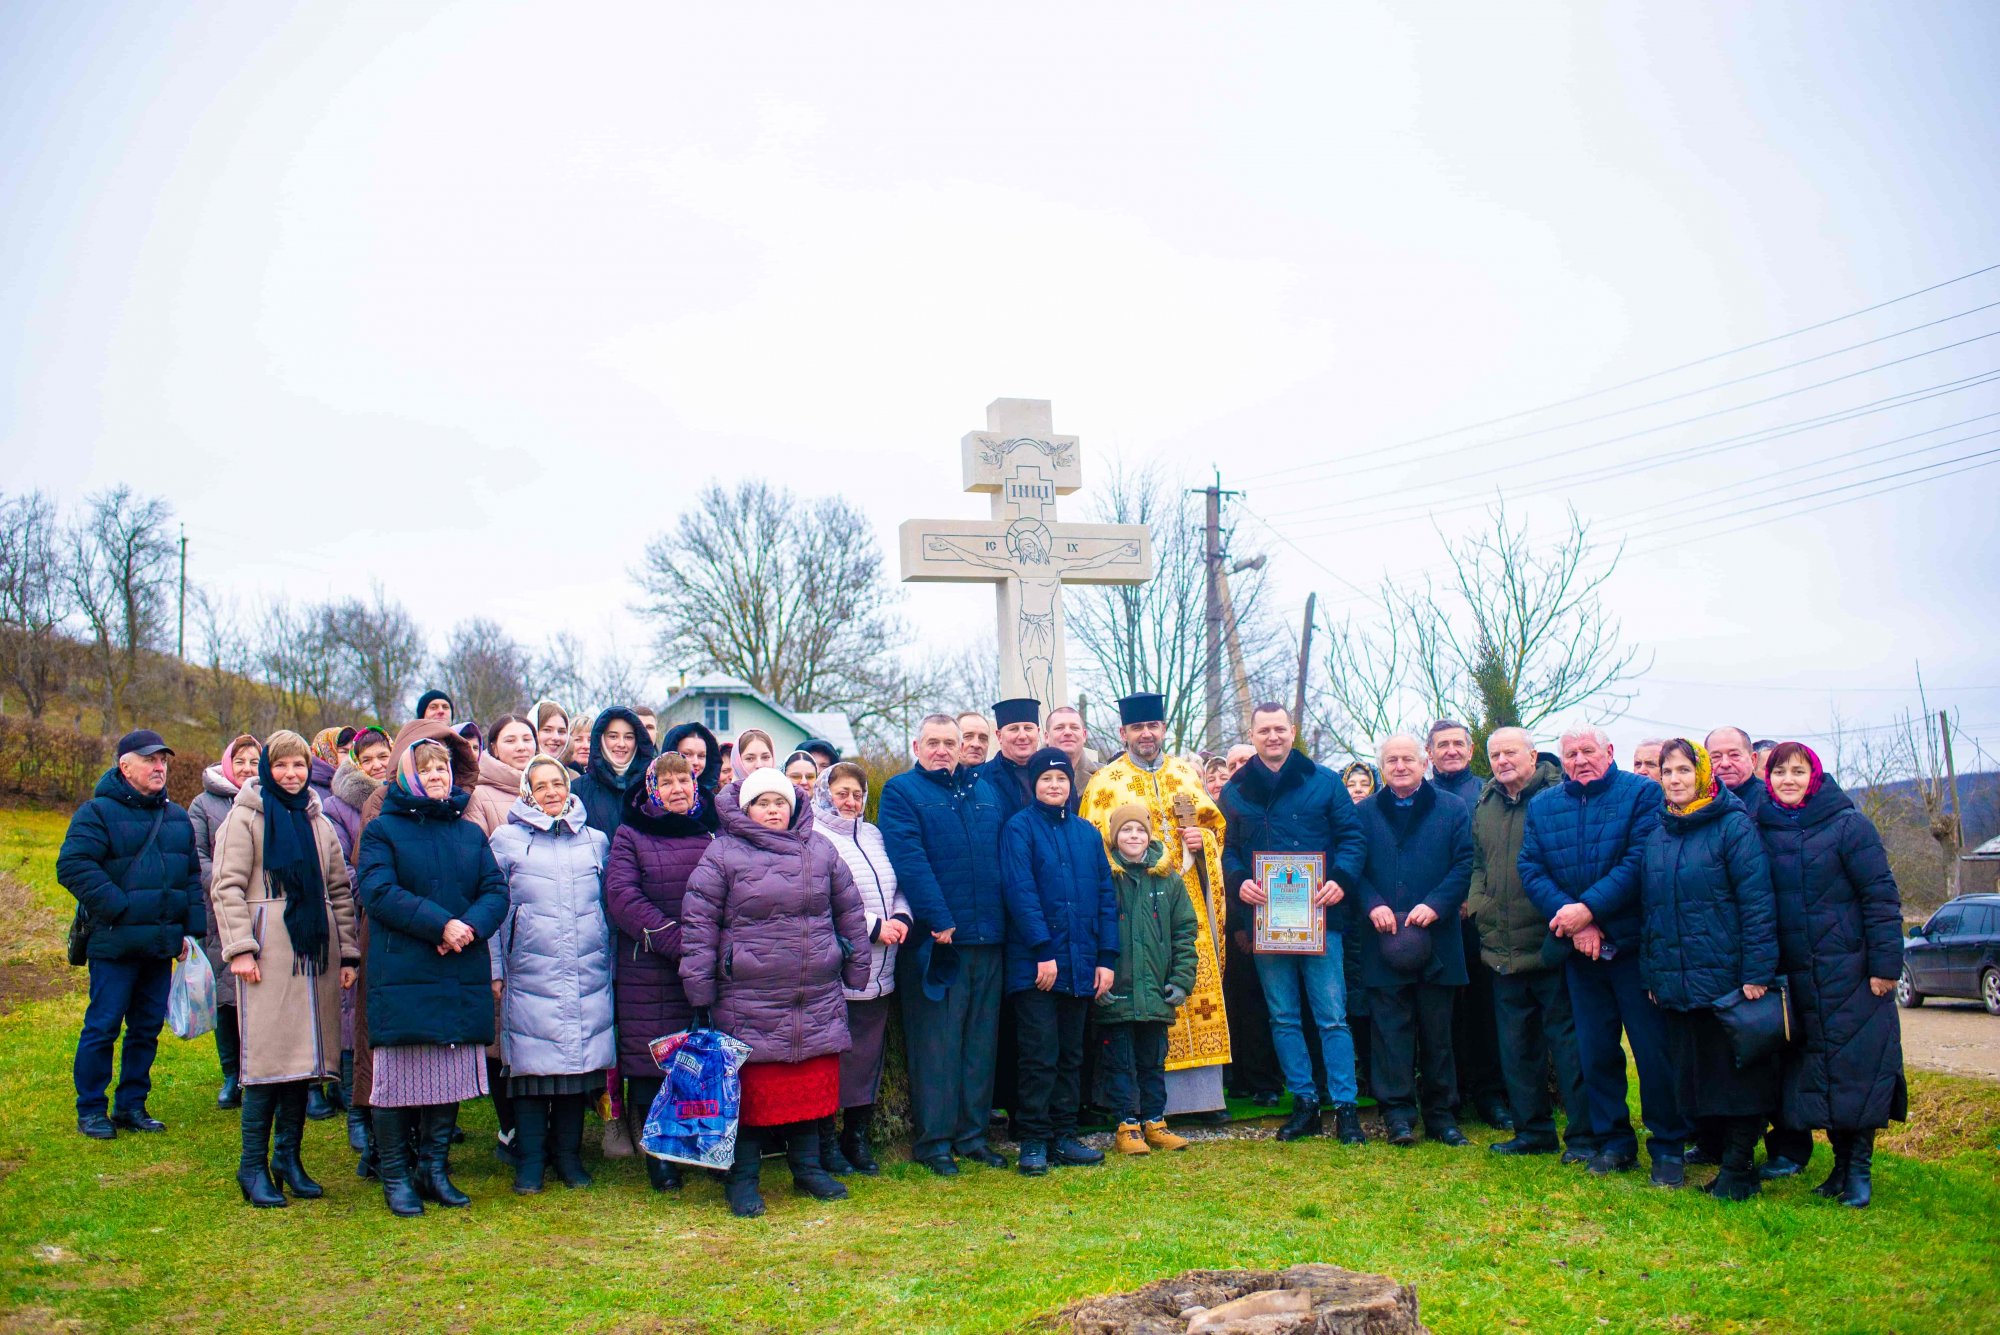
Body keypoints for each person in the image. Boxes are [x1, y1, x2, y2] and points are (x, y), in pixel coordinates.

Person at [681, 768, 869, 1217]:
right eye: (763, 803)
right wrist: (699, 987)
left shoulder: (820, 849)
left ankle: (807, 1169)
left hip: (813, 994)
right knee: (751, 1093)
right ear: (746, 808)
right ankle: (742, 1180)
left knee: (807, 1088)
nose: (772, 810)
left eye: (779, 802)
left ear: (793, 807)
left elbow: (850, 909)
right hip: (749, 997)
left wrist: (856, 965)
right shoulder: (722, 854)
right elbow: (698, 925)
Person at [1519, 726, 1688, 1184]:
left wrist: (1589, 910)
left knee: (1654, 1055)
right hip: (1580, 953)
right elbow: (1530, 868)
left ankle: (1669, 1148)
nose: (1579, 760)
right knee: (1595, 1054)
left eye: (1588, 751)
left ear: (1610, 752)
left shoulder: (1640, 795)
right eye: (1570, 753)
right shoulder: (1544, 805)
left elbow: (1639, 861)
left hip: (1635, 949)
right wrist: (1576, 922)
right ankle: (1614, 1143)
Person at [355, 738, 510, 1216]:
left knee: (450, 1075)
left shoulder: (468, 832)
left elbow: (495, 889)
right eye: (428, 769)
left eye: (443, 768)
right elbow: (377, 891)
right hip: (405, 966)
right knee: (396, 1080)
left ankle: (434, 1169)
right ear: (407, 777)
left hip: (458, 964)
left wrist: (469, 928)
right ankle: (397, 1176)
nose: (439, 776)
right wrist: (439, 925)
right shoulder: (384, 830)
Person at [208, 731, 361, 1206]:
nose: (292, 775)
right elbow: (226, 887)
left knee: (302, 1061)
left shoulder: (318, 822)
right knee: (266, 1060)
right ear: (266, 769)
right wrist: (241, 948)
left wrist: (348, 953)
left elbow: (338, 891)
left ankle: (287, 1158)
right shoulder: (245, 817)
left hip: (315, 954)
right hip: (268, 952)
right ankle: (251, 1165)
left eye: (298, 766)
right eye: (281, 766)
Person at [1757, 741, 1906, 1208]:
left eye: (1797, 771)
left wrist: (1885, 967)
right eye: (1779, 772)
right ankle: (1838, 1167)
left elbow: (1880, 897)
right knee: (1820, 1074)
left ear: (1814, 776)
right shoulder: (1762, 827)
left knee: (1859, 1070)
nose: (1788, 780)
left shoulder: (1849, 825)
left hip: (1853, 975)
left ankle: (1859, 1169)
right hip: (1798, 978)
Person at [1220, 703, 1369, 1144]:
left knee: (1332, 1016)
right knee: (1282, 1016)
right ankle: (1304, 1103)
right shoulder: (1236, 790)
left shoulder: (1323, 782)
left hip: (1322, 916)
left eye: (1279, 729)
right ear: (1252, 733)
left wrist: (1341, 880)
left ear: (1293, 731)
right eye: (1263, 730)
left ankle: (1345, 1108)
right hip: (1267, 919)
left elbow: (1352, 838)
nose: (1272, 737)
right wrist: (1239, 880)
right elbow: (1226, 848)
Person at [1078, 692, 1231, 1119]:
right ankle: (1134, 1105)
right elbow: (1093, 849)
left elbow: (1214, 827)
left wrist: (1206, 844)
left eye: (1153, 726)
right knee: (1136, 993)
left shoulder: (1186, 775)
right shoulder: (1104, 782)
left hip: (1186, 903)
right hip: (1132, 909)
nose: (1146, 734)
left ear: (1163, 729)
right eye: (1137, 728)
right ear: (1124, 732)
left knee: (1192, 983)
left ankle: (1202, 1100)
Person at [1642, 738, 1779, 1199]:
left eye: (1684, 770)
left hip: (1727, 980)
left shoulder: (1732, 825)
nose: (1675, 779)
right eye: (1668, 772)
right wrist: (1655, 975)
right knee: (1697, 1076)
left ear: (1702, 774)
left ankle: (1740, 1170)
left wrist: (1757, 972)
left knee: (1736, 1078)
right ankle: (1718, 1152)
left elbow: (1757, 903)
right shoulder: (1661, 831)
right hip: (1678, 981)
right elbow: (1652, 911)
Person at [876, 714, 1010, 1175]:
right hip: (938, 941)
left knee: (980, 1043)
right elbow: (908, 859)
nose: (942, 750)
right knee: (937, 1044)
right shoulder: (901, 792)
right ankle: (934, 1142)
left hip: (989, 937)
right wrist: (939, 917)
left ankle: (972, 1136)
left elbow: (1002, 858)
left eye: (949, 743)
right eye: (932, 742)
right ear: (917, 745)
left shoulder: (985, 791)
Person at [58, 729, 205, 1140]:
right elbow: (72, 865)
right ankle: (91, 1109)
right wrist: (119, 908)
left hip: (160, 944)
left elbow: (190, 877)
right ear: (125, 766)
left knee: (145, 1029)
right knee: (103, 1026)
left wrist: (189, 932)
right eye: (150, 761)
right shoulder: (96, 813)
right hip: (115, 943)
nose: (160, 767)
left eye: (163, 761)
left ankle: (131, 1106)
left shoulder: (176, 817)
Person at [488, 755, 615, 1195]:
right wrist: (495, 968)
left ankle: (569, 1158)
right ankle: (531, 1162)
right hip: (529, 969)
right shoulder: (505, 840)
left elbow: (607, 906)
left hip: (586, 969)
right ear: (527, 792)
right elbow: (493, 909)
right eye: (540, 786)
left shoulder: (594, 840)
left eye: (557, 783)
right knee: (529, 1074)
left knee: (574, 1075)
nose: (551, 792)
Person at [1466, 729, 1589, 1159]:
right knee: (1517, 1050)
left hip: (1551, 943)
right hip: (1501, 948)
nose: (1502, 761)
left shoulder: (1561, 796)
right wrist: (1477, 902)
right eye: (1495, 754)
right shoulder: (1486, 803)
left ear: (1533, 755)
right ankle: (1533, 1132)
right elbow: (1479, 862)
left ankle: (1583, 1136)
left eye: (1510, 752)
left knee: (1568, 1048)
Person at [604, 751, 717, 1193]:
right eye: (666, 782)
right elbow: (623, 897)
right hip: (650, 969)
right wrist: (677, 942)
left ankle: (700, 1147)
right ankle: (660, 1157)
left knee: (700, 1062)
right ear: (652, 788)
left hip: (706, 967)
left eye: (684, 781)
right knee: (655, 1067)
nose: (676, 789)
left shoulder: (712, 830)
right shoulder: (632, 833)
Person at [1001, 748, 1118, 1175]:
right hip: (1037, 965)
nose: (1054, 785)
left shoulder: (1087, 834)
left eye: (1062, 779)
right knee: (1038, 1054)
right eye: (1046, 779)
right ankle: (1033, 1139)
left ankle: (1064, 1135)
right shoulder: (1020, 829)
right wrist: (1042, 951)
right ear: (1033, 784)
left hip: (1082, 960)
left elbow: (1106, 897)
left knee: (1072, 1053)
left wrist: (1106, 958)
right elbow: (1020, 892)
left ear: (1071, 785)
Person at [1353, 733, 1474, 1147]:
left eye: (1408, 759)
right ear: (1381, 768)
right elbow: (1352, 865)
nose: (1400, 766)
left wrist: (1437, 904)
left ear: (1425, 763)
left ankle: (1442, 1116)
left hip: (1437, 938)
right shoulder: (1364, 812)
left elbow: (1465, 863)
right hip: (1383, 938)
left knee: (1438, 1032)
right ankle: (1398, 1115)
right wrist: (1371, 903)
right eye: (1392, 761)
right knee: (1390, 1031)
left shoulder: (1453, 808)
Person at [1705, 724, 1811, 1177]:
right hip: (1723, 950)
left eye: (1733, 754)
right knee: (1726, 1053)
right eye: (1716, 756)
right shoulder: (1704, 805)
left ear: (1752, 758)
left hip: (1779, 944)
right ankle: (1718, 1140)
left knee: (1777, 1052)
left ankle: (1788, 1147)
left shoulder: (1770, 803)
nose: (1724, 763)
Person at [811, 762, 909, 1177]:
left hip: (883, 969)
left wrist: (902, 916)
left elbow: (897, 883)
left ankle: (857, 1139)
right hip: (841, 969)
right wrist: (873, 927)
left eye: (857, 794)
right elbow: (823, 901)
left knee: (868, 1058)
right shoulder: (815, 837)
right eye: (841, 792)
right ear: (823, 793)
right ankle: (827, 1144)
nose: (850, 801)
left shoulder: (873, 834)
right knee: (836, 1062)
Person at [1097, 802, 1197, 1155]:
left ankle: (1155, 1120)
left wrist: (1182, 980)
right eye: (1126, 830)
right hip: (1117, 990)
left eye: (1139, 830)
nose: (1134, 836)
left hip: (1156, 990)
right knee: (1119, 1062)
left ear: (1149, 834)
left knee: (1153, 1061)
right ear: (1114, 837)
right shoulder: (1105, 876)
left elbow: (1185, 931)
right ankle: (1126, 1124)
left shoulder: (1166, 879)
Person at [1424, 719, 1508, 1131]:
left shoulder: (1486, 793)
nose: (1451, 750)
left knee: (1483, 1012)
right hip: (1433, 922)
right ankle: (1446, 1095)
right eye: (1443, 745)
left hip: (1478, 922)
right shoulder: (1418, 795)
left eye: (1458, 743)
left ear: (1470, 749)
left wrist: (1469, 900)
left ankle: (1490, 1094)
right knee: (1441, 1015)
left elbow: (1493, 856)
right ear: (1430, 753)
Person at [324, 724, 391, 1150]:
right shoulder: (338, 805)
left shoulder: (406, 796)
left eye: (383, 755)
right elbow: (339, 865)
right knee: (354, 1020)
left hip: (393, 921)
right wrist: (372, 884)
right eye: (367, 759)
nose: (377, 765)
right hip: (356, 914)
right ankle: (357, 1113)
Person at [189, 732, 261, 1110]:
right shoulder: (203, 805)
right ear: (227, 763)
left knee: (258, 994)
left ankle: (257, 1070)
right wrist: (225, 885)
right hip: (218, 913)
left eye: (254, 761)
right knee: (227, 997)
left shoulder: (268, 800)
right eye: (241, 761)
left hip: (261, 909)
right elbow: (196, 855)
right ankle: (231, 1073)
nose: (248, 768)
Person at [570, 706, 659, 839]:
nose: (621, 744)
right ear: (600, 739)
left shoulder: (653, 786)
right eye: (613, 736)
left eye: (629, 737)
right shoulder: (578, 789)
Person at [468, 713, 537, 835]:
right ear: (494, 748)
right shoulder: (478, 797)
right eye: (510, 741)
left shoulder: (552, 788)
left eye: (527, 739)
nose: (521, 747)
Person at [980, 697, 1045, 823]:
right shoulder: (980, 778)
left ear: (1037, 732)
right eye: (1013, 729)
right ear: (999, 736)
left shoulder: (1056, 775)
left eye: (1028, 728)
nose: (1022, 736)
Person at [663, 720, 723, 802]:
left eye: (701, 756)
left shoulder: (713, 804)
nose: (696, 762)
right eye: (687, 754)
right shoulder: (648, 801)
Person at [1046, 705, 1095, 791]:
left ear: (1084, 735)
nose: (1068, 732)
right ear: (1047, 737)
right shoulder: (1027, 775)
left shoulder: (1104, 777)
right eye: (1059, 728)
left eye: (1074, 728)